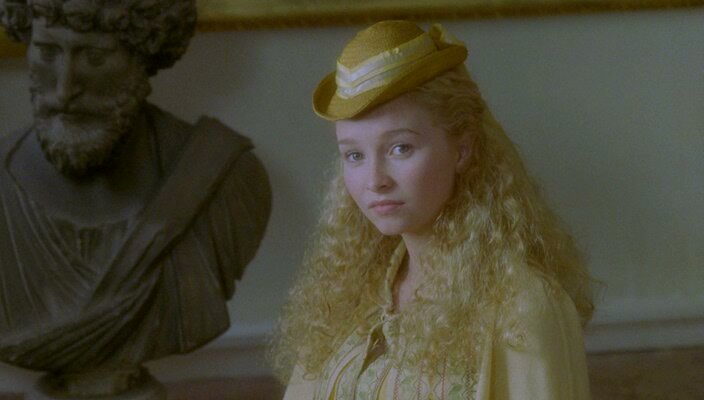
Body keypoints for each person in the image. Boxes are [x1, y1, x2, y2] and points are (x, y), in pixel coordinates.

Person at [273, 20, 593, 399]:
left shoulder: (520, 307)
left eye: (400, 148)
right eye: (354, 155)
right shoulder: (347, 292)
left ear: (462, 149)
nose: (375, 180)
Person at [0, 0, 271, 397]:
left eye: (94, 57)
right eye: (47, 52)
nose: (65, 88)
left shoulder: (225, 181)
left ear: (142, 54)